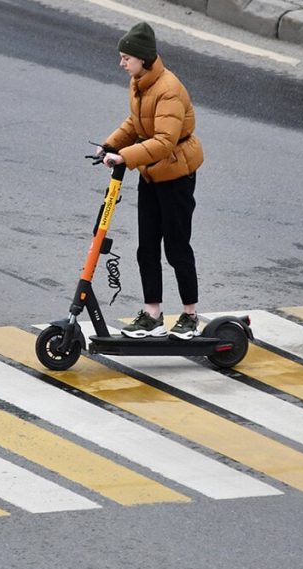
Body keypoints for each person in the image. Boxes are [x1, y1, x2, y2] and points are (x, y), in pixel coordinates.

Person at [97, 22, 205, 340]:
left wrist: (125, 157)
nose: (121, 63)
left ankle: (190, 315)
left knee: (176, 247)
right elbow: (135, 122)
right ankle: (152, 315)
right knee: (146, 247)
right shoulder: (139, 83)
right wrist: (109, 145)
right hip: (151, 174)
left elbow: (164, 142)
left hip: (175, 175)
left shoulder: (168, 89)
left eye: (126, 58)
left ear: (142, 58)